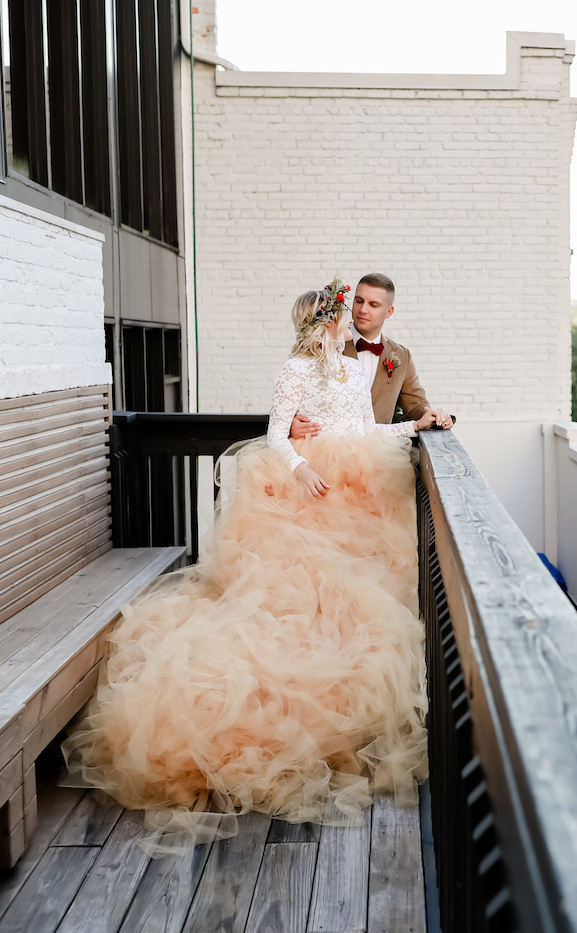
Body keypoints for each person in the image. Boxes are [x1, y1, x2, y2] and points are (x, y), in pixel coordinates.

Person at [63, 282, 436, 852]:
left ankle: (335, 693)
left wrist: (418, 426)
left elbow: (364, 430)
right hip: (302, 494)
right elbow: (272, 433)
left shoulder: (359, 371)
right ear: (323, 322)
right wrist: (299, 466)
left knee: (350, 596)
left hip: (354, 491)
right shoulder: (295, 371)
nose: (346, 319)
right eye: (338, 313)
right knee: (292, 597)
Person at [291, 272, 453, 440]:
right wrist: (291, 425)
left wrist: (435, 418)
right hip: (325, 448)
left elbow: (415, 406)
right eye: (359, 301)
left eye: (373, 305)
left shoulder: (401, 356)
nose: (362, 310)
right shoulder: (326, 343)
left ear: (388, 311)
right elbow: (294, 392)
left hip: (379, 450)